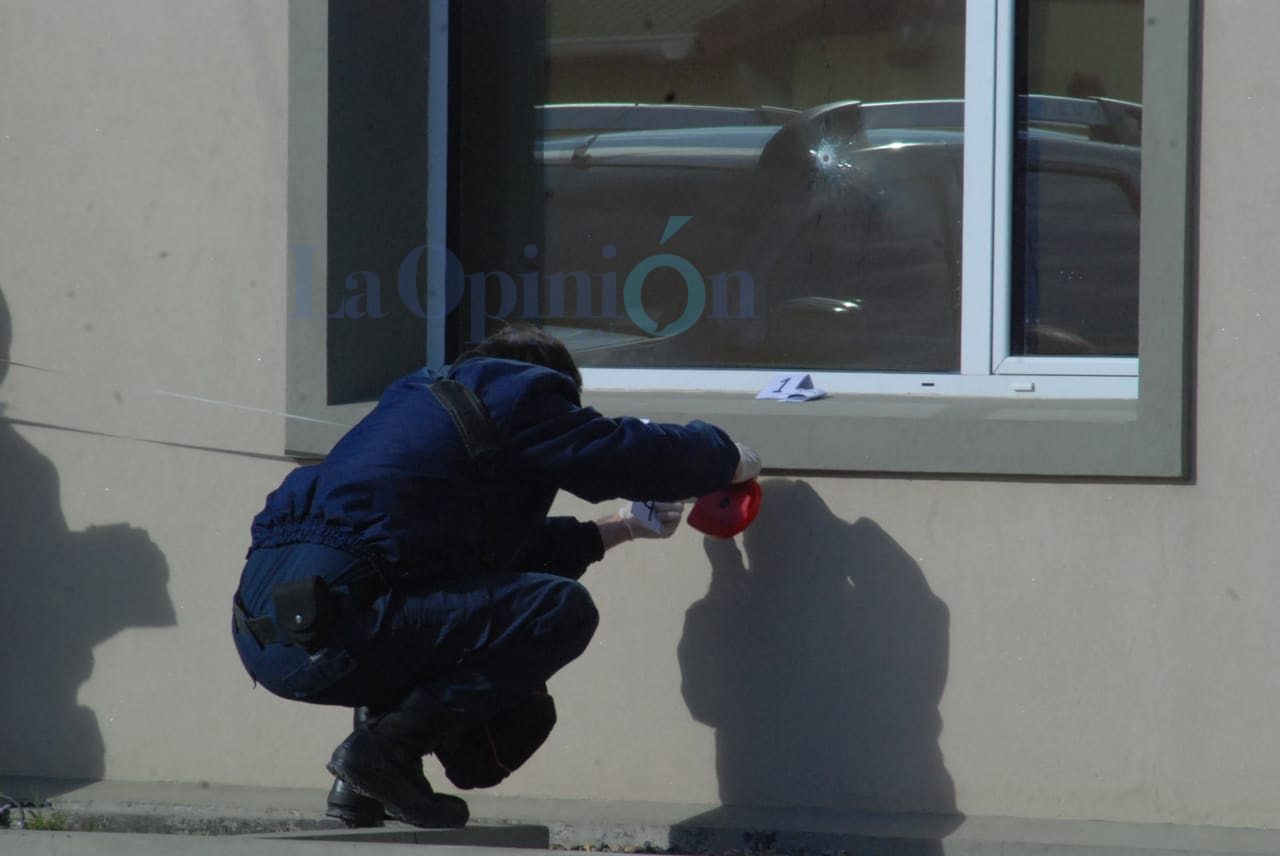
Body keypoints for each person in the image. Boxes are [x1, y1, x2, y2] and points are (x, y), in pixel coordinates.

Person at [231, 324, 762, 829]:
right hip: (343, 624)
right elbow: (619, 454)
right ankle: (386, 753)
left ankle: (362, 789)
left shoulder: (417, 410)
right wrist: (724, 458)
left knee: (419, 611)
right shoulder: (515, 392)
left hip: (270, 637)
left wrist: (621, 527)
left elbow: (485, 562)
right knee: (560, 611)